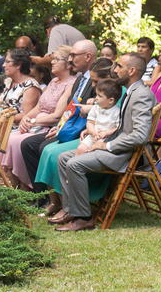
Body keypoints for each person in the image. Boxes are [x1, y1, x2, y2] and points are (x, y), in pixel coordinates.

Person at [51, 54, 154, 232]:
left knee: (74, 163)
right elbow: (123, 126)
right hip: (116, 145)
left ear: (131, 71)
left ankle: (84, 218)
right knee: (62, 158)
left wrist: (106, 145)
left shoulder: (141, 95)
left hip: (127, 154)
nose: (114, 70)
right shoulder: (132, 91)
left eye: (119, 66)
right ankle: (71, 211)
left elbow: (139, 136)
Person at [30, 58, 114, 218]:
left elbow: (112, 117)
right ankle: (55, 202)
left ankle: (67, 206)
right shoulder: (101, 91)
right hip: (89, 132)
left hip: (100, 138)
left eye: (96, 81)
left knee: (56, 155)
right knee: (47, 149)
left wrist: (93, 107)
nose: (93, 85)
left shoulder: (115, 92)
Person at [0, 46, 77, 188]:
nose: (51, 62)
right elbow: (39, 107)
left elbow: (57, 116)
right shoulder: (53, 82)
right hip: (36, 123)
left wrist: (32, 122)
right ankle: (14, 186)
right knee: (10, 138)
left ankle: (28, 186)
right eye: (52, 59)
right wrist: (25, 118)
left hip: (48, 126)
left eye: (56, 59)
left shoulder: (71, 84)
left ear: (68, 63)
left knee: (17, 142)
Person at [0, 48, 41, 120]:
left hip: (18, 129)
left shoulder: (30, 86)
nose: (3, 65)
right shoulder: (7, 82)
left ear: (18, 65)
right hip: (1, 125)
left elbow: (27, 114)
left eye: (7, 62)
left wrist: (2, 118)